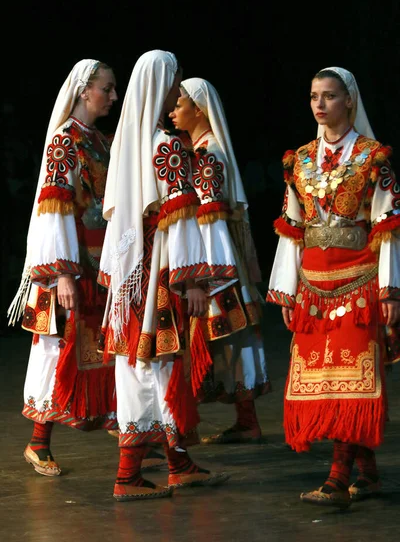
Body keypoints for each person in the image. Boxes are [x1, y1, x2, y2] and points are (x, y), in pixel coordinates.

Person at [98, 50, 230, 501]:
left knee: (136, 366)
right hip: (156, 271)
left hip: (127, 277)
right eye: (174, 80)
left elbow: (114, 214)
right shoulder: (165, 144)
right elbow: (180, 214)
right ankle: (148, 469)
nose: (177, 92)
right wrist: (193, 279)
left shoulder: (124, 145)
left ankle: (155, 467)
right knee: (162, 364)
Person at [267, 66, 400, 508]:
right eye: (313, 97)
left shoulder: (372, 158)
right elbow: (292, 226)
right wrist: (286, 290)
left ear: (350, 102)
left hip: (359, 284)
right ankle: (369, 472)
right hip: (312, 288)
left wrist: (391, 288)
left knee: (351, 381)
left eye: (328, 96)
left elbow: (387, 226)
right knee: (322, 382)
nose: (319, 105)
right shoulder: (300, 159)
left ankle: (338, 477)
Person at [7, 59, 119, 476]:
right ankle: (39, 442)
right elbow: (54, 209)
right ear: (83, 90)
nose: (112, 97)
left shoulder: (100, 142)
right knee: (57, 347)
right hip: (69, 262)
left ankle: (122, 426)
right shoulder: (64, 142)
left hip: (98, 261)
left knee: (102, 346)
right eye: (106, 89)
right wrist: (63, 273)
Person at [168, 78, 271, 444]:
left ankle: (192, 426)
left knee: (223, 335)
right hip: (214, 259)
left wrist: (206, 276)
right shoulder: (199, 147)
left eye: (179, 104)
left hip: (214, 260)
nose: (172, 111)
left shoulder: (208, 153)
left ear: (198, 109)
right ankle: (244, 420)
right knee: (229, 337)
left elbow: (210, 219)